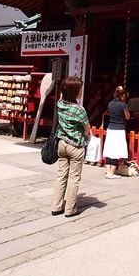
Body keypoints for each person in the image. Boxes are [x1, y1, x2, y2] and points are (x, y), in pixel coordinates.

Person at [50, 76, 90, 217]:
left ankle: (56, 206)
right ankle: (70, 209)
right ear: (75, 92)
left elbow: (63, 96)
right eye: (79, 89)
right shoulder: (79, 110)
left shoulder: (60, 104)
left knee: (61, 175)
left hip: (62, 144)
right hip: (76, 146)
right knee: (74, 178)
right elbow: (87, 129)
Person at [103, 86, 130, 179]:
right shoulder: (123, 105)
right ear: (121, 95)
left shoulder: (110, 104)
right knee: (116, 150)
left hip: (110, 128)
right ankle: (111, 173)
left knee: (109, 149)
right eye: (124, 96)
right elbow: (127, 117)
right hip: (119, 129)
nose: (125, 98)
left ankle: (107, 171)